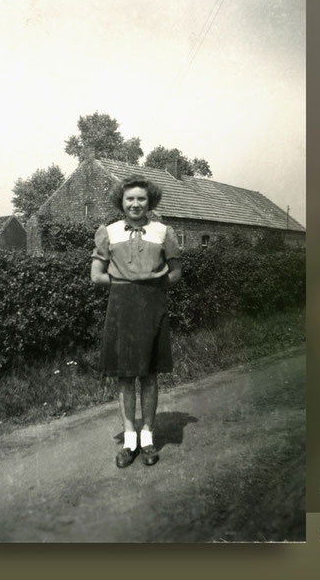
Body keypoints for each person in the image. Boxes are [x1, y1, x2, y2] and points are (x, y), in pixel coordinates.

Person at [90, 175, 182, 468]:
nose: (135, 204)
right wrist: (125, 284)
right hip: (122, 306)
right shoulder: (108, 231)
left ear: (149, 201)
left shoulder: (163, 231)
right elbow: (96, 275)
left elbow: (176, 272)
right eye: (130, 198)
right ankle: (130, 441)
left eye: (141, 198)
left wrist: (150, 285)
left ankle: (148, 438)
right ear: (122, 201)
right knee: (126, 376)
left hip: (152, 306)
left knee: (150, 375)